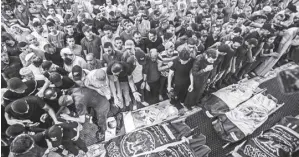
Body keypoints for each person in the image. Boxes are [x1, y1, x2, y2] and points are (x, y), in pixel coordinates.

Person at [167, 48, 195, 113]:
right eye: (181, 60)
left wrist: (191, 84)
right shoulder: (175, 61)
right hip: (177, 82)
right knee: (174, 97)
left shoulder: (192, 60)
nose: (182, 62)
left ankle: (181, 104)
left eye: (185, 61)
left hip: (186, 82)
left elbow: (191, 72)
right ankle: (174, 105)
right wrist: (169, 86)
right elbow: (170, 75)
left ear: (189, 59)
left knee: (183, 96)